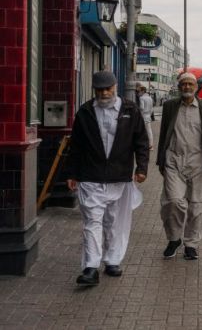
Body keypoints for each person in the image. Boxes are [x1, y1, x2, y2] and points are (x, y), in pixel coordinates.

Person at [64, 71, 149, 286]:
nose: (104, 93)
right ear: (94, 90)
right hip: (91, 176)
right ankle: (90, 267)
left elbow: (141, 141)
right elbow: (76, 146)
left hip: (120, 177)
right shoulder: (85, 112)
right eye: (100, 89)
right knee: (92, 221)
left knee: (115, 222)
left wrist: (142, 168)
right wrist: (72, 173)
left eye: (107, 88)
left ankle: (112, 260)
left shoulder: (130, 109)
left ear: (115, 86)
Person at [156, 71, 202, 261]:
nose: (186, 87)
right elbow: (164, 134)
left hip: (199, 162)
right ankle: (174, 239)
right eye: (183, 84)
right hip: (173, 160)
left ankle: (191, 244)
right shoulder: (170, 106)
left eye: (190, 84)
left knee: (197, 206)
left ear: (196, 88)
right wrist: (161, 158)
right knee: (173, 201)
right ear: (179, 87)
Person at [137, 84, 155, 150]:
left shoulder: (141, 98)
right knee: (149, 131)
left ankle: (142, 145)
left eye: (139, 91)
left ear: (142, 91)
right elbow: (152, 109)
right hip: (148, 116)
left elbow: (141, 108)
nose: (138, 93)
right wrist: (149, 115)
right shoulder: (150, 98)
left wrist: (140, 115)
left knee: (141, 131)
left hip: (143, 116)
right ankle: (151, 145)